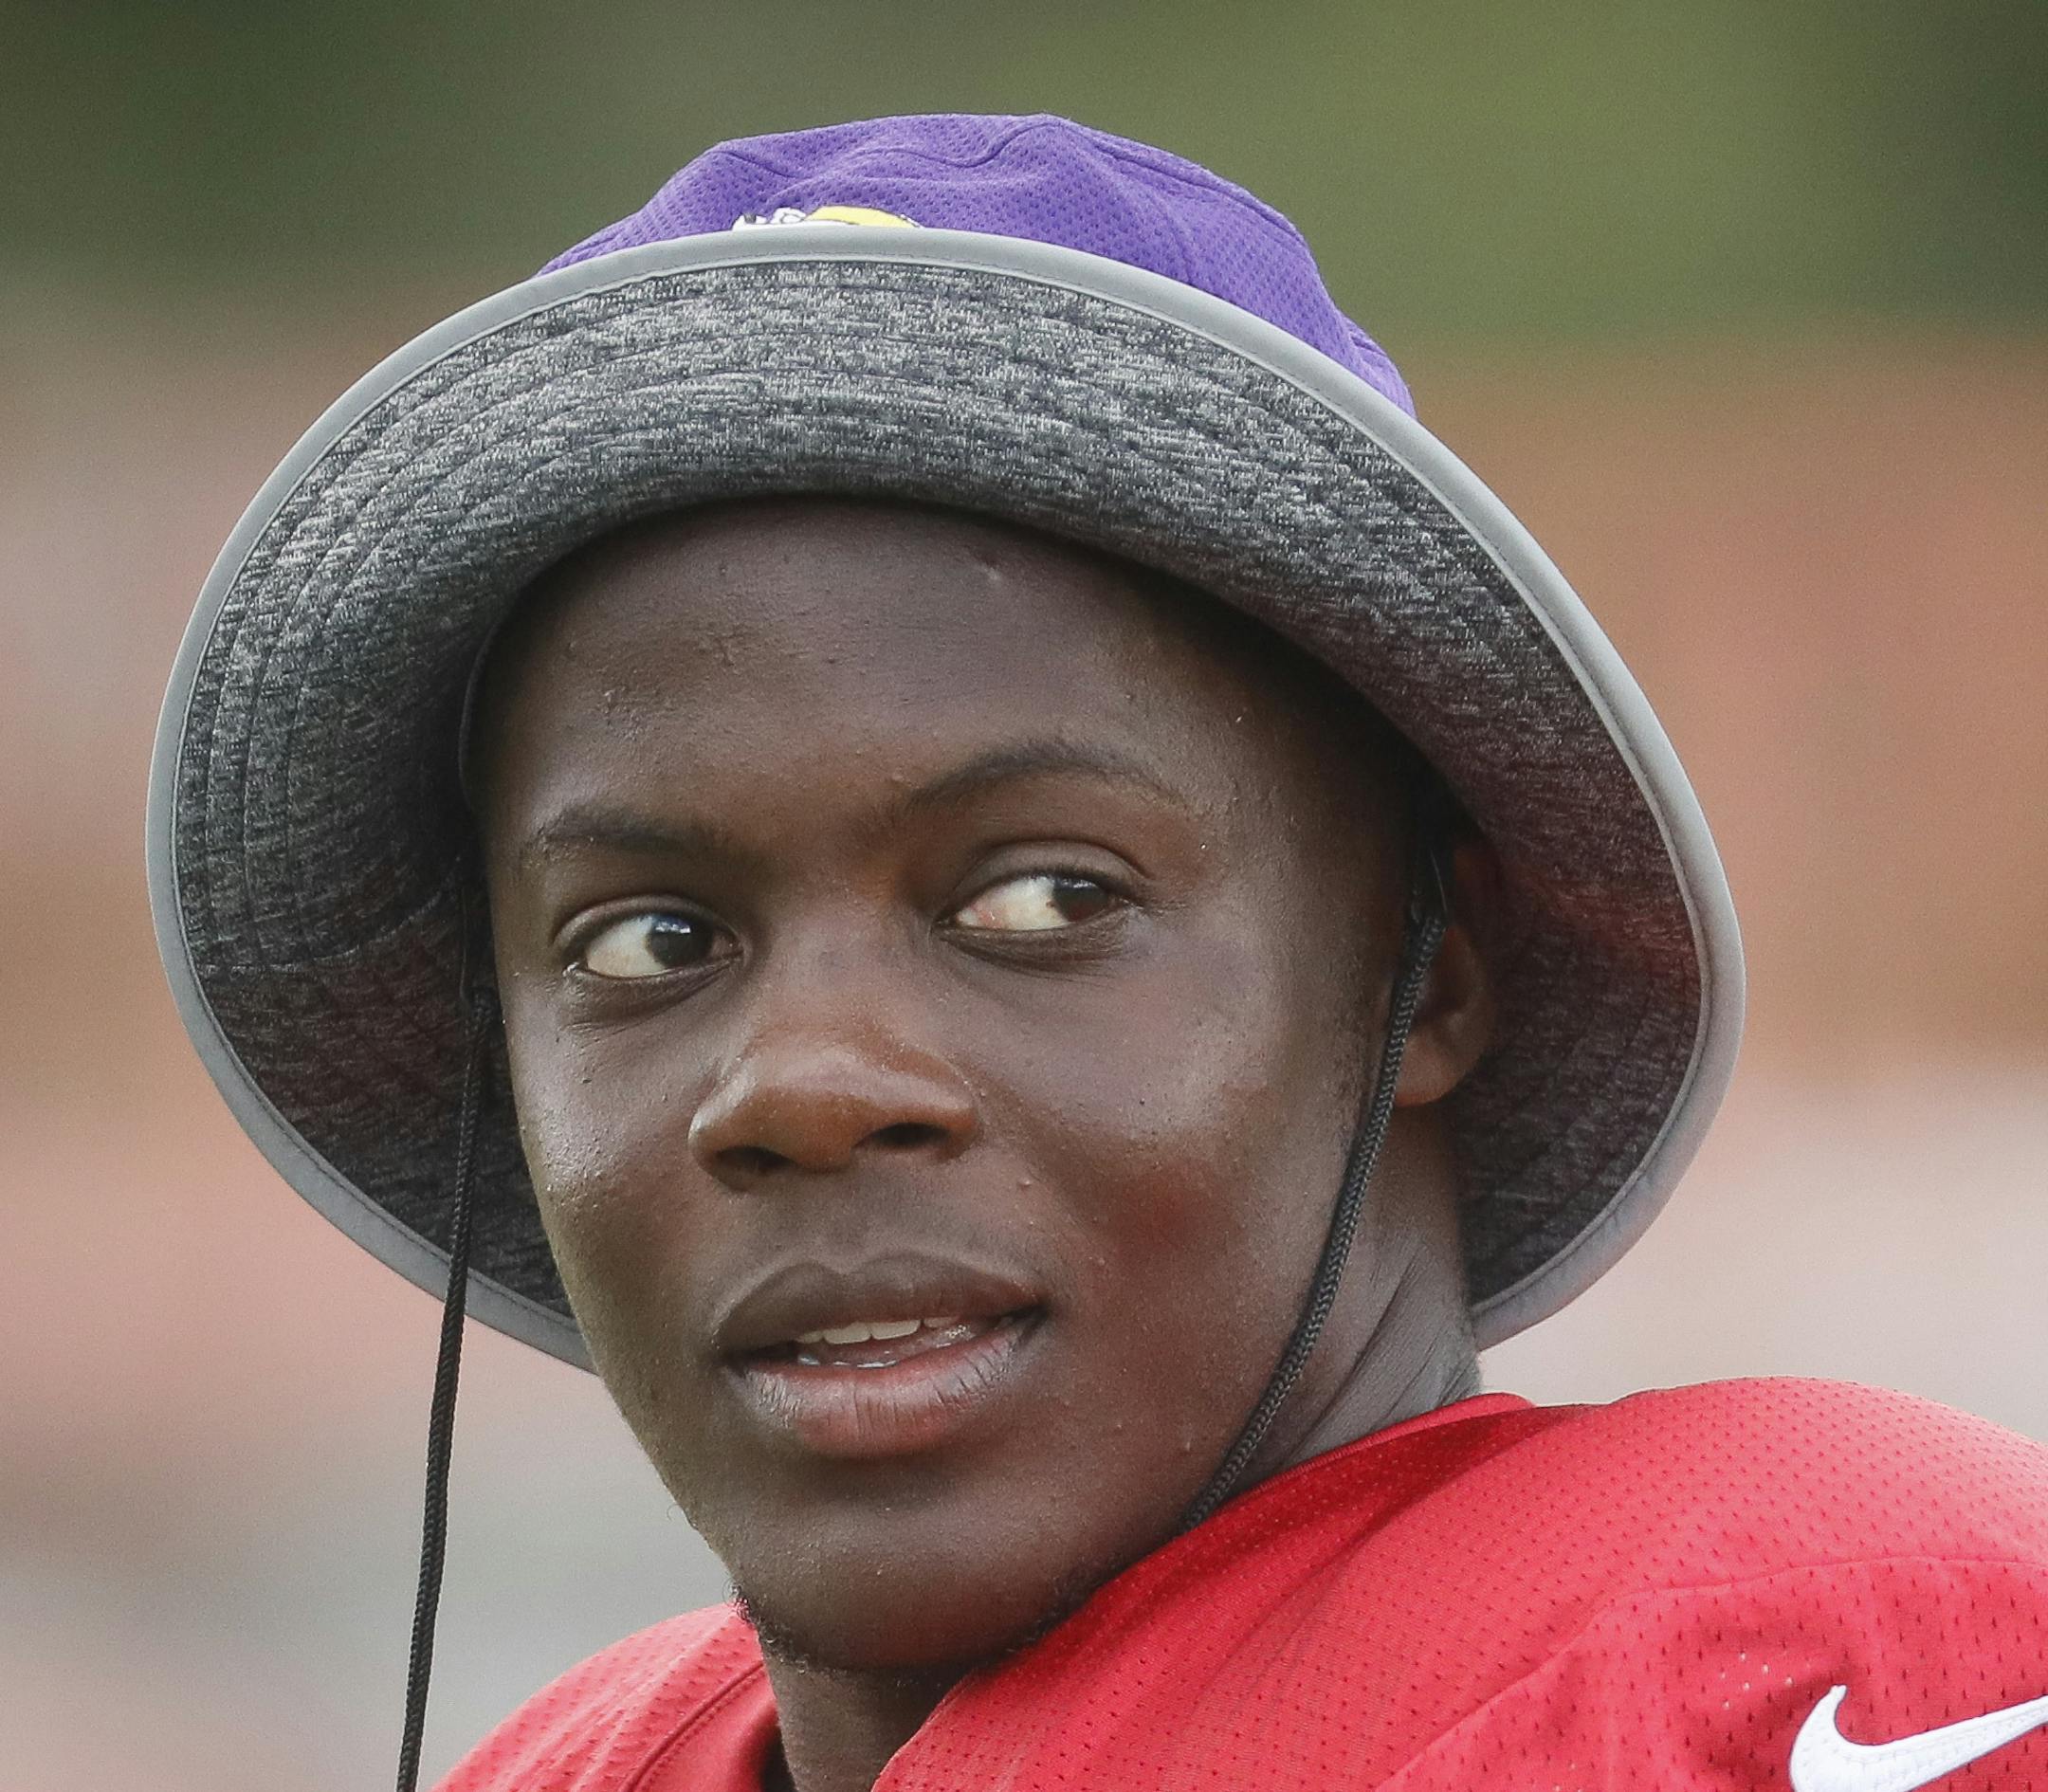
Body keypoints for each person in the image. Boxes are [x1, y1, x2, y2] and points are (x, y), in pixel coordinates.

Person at [148, 114, 2048, 1792]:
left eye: (1046, 901)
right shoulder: (550, 1767)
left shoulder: (1815, 1661)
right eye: (651, 939)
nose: (801, 1083)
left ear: (1434, 970)